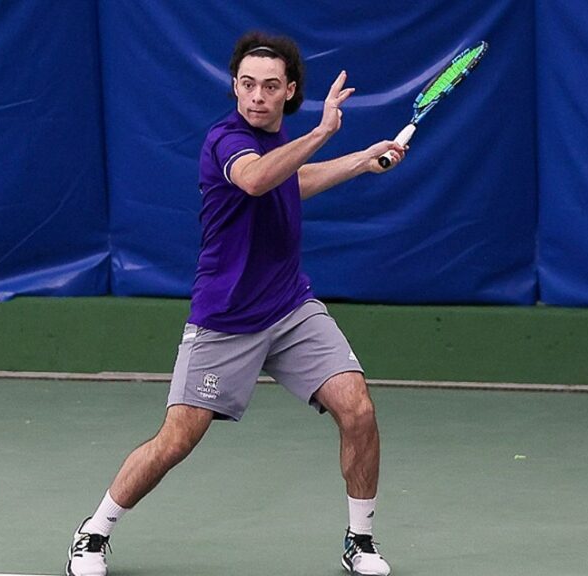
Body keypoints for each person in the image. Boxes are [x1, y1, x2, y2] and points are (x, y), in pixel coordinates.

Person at [66, 31, 407, 576]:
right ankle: (93, 531)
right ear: (234, 87)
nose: (256, 96)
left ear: (289, 91)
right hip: (225, 318)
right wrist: (323, 132)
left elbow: (292, 182)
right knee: (177, 438)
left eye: (270, 86)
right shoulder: (226, 141)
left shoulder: (280, 140)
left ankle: (360, 540)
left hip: (289, 307)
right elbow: (255, 181)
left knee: (358, 408)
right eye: (247, 85)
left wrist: (362, 160)